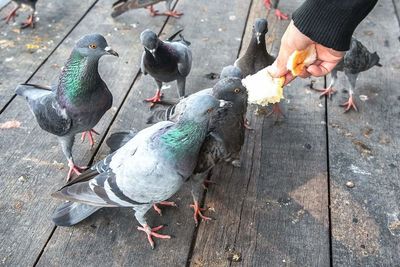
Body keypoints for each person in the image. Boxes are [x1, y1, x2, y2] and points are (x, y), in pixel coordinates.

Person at [268, 0, 378, 83]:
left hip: (346, 54)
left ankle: (350, 95)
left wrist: (313, 21)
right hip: (334, 47)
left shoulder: (351, 53)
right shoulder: (329, 50)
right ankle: (330, 86)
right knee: (331, 69)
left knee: (349, 67)